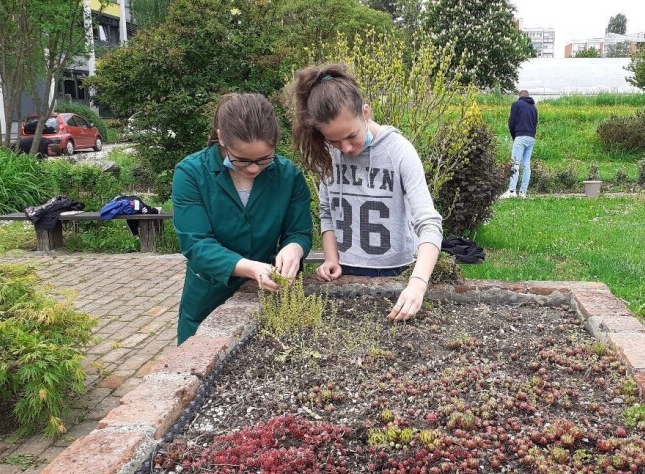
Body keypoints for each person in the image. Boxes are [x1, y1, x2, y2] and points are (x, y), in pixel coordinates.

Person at [290, 64, 443, 322]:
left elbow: (429, 223)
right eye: (334, 141)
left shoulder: (399, 152)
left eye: (351, 136)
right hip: (346, 273)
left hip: (398, 274)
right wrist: (330, 258)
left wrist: (417, 283)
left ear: (365, 113)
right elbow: (328, 211)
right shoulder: (328, 155)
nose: (346, 148)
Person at [172, 93, 313, 345]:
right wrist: (251, 268)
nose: (253, 168)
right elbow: (196, 244)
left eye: (264, 159)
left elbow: (299, 231)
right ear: (221, 138)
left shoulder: (289, 176)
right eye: (242, 159)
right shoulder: (191, 173)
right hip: (207, 297)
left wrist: (294, 248)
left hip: (267, 297)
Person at [500, 90, 538, 199]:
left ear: (519, 96)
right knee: (526, 164)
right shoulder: (534, 108)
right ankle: (523, 193)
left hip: (520, 136)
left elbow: (511, 122)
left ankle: (512, 191)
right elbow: (535, 123)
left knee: (515, 164)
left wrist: (514, 136)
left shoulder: (516, 105)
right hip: (531, 138)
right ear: (528, 96)